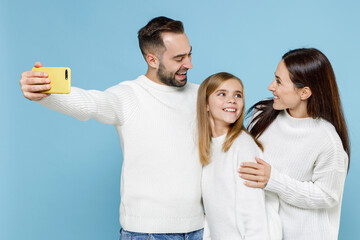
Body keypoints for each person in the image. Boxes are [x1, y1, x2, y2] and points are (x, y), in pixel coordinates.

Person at [19, 16, 205, 239]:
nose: (189, 64)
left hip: (201, 229)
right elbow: (89, 103)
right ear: (152, 60)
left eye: (189, 54)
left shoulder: (202, 95)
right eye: (179, 58)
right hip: (148, 233)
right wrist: (43, 95)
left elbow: (229, 144)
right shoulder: (129, 95)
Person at [239, 48, 350, 240]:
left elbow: (328, 196)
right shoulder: (261, 114)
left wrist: (274, 180)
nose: (270, 86)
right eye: (274, 78)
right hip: (262, 233)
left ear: (305, 92)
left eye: (279, 82)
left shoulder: (327, 140)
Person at [197, 72, 282, 240]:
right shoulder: (209, 146)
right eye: (222, 94)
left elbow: (253, 214)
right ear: (206, 104)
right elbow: (212, 212)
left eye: (238, 95)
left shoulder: (243, 145)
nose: (232, 100)